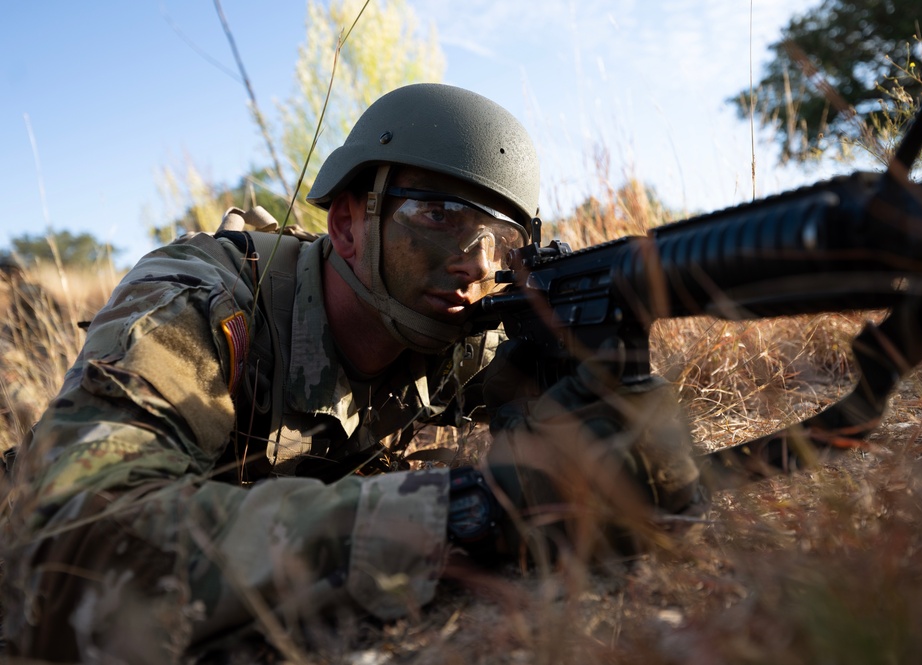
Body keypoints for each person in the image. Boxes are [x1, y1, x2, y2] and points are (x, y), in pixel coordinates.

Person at [0, 83, 701, 662]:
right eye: (437, 215)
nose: (475, 263)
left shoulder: (455, 330)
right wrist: (469, 510)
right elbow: (65, 554)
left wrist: (595, 405)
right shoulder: (201, 306)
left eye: (500, 241)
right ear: (346, 224)